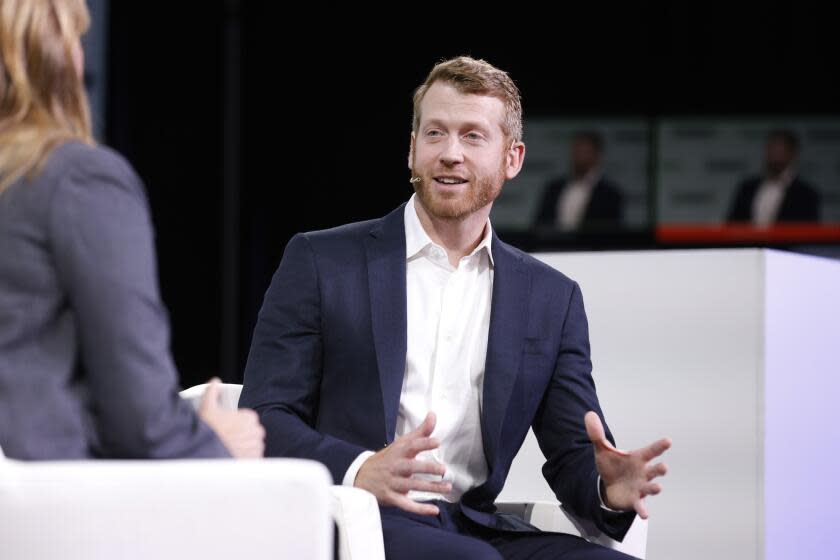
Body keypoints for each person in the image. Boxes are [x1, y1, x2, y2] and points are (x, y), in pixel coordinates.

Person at [240, 56, 670, 559]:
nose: (449, 154)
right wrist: (361, 467)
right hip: (355, 517)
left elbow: (574, 451)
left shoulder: (550, 299)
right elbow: (263, 416)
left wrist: (606, 489)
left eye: (472, 136)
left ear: (512, 159)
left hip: (472, 525)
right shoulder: (321, 261)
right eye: (435, 134)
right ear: (411, 150)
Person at [0, 0, 264, 460]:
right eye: (77, 40)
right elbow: (143, 426)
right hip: (46, 514)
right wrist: (218, 444)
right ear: (54, 54)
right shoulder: (77, 180)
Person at [727, 129, 821, 225]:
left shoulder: (806, 194)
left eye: (780, 149)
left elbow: (808, 231)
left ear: (793, 154)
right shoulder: (747, 187)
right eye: (772, 148)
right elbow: (731, 224)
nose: (775, 154)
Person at [535, 131, 624, 231]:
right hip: (551, 246)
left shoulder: (611, 194)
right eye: (576, 151)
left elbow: (611, 232)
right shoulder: (553, 188)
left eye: (585, 152)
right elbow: (539, 225)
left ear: (597, 155)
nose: (579, 157)